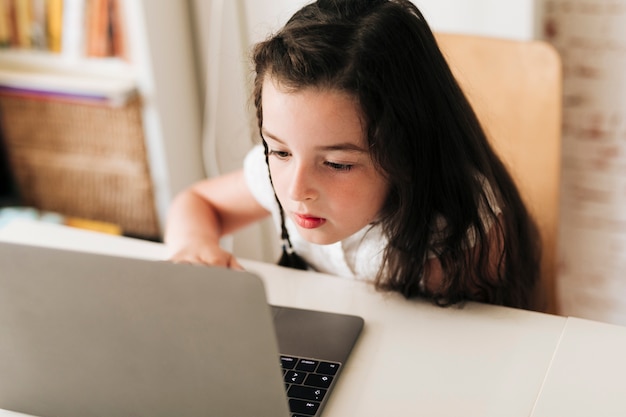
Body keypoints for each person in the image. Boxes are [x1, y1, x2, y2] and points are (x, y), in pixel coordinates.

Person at [165, 0, 542, 310]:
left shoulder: (457, 233)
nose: (297, 189)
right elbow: (198, 202)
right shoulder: (288, 170)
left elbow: (488, 349)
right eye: (279, 150)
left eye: (336, 164)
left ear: (405, 152)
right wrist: (194, 244)